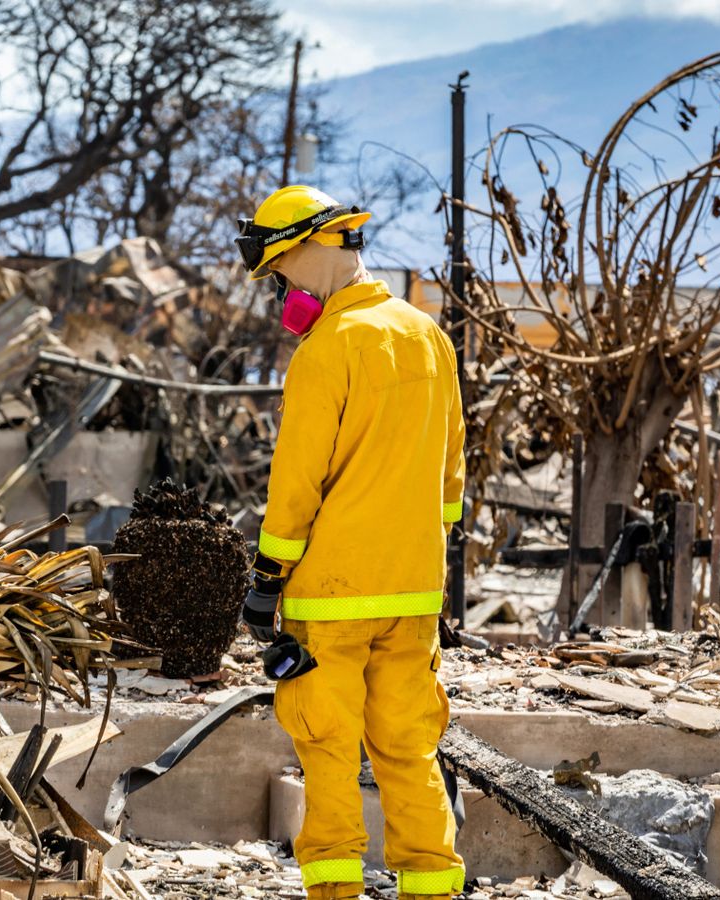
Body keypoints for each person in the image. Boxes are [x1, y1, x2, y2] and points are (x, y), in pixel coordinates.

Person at [234, 185, 466, 900]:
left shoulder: (326, 350)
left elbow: (297, 487)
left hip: (332, 597)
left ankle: (334, 891)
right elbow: (452, 475)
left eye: (280, 273)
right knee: (408, 748)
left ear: (310, 251)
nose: (283, 291)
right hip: (415, 590)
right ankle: (433, 887)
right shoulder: (427, 335)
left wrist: (267, 576)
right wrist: (429, 552)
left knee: (329, 751)